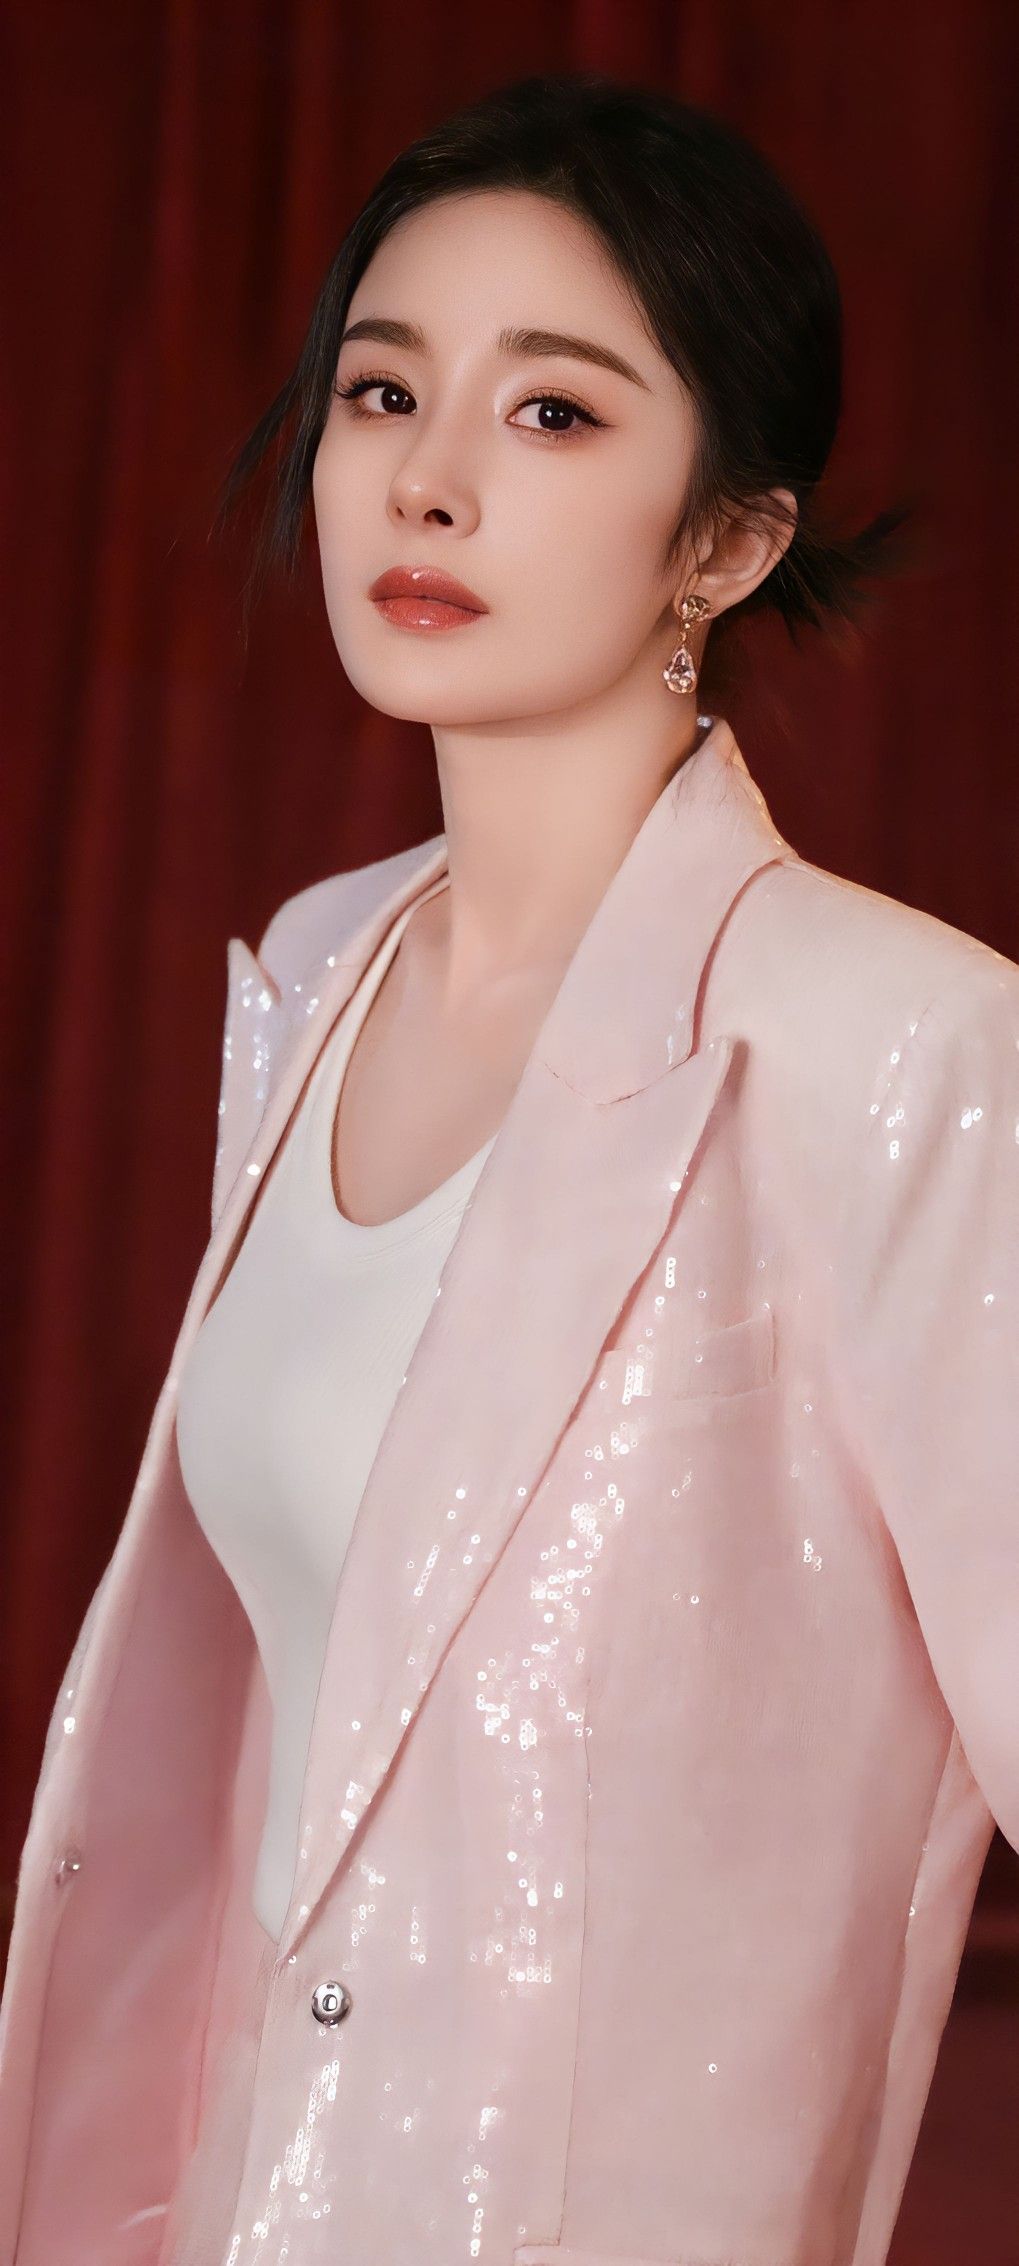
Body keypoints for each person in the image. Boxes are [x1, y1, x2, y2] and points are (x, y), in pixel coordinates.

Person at [1, 67, 1016, 2266]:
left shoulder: (898, 1045)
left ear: (728, 539)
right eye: (384, 390)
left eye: (552, 412)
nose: (429, 477)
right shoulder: (320, 968)